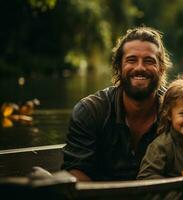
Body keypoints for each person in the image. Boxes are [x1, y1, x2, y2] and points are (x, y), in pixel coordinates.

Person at [61, 26, 172, 181]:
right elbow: (75, 172)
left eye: (149, 61)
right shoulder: (90, 110)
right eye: (131, 60)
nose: (140, 67)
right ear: (119, 67)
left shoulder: (175, 109)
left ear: (161, 69)